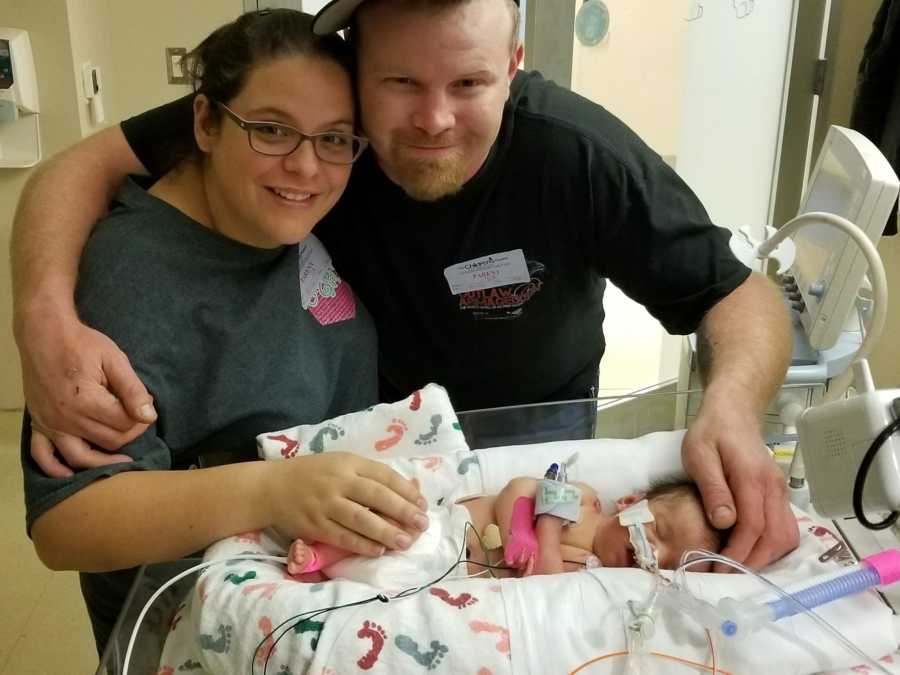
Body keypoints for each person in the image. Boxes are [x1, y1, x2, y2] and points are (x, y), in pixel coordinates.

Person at [10, 0, 797, 572]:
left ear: (513, 68)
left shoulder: (576, 156)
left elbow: (734, 291)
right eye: (399, 82)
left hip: (522, 448)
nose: (434, 119)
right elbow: (80, 164)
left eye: (469, 83)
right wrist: (42, 316)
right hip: (339, 478)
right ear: (353, 64)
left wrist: (730, 405)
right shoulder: (295, 128)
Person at [17, 10, 430, 654]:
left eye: (335, 139)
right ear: (206, 122)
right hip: (207, 632)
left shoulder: (274, 219)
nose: (305, 167)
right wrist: (275, 488)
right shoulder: (132, 281)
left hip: (329, 595)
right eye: (271, 130)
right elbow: (67, 524)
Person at [283, 476, 724, 582]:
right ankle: (324, 551)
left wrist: (547, 549)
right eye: (659, 531)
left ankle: (326, 571)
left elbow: (545, 588)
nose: (654, 554)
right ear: (631, 505)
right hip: (453, 526)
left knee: (394, 574)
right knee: (398, 526)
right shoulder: (586, 501)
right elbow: (522, 488)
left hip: (453, 572)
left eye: (671, 564)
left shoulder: (595, 576)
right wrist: (529, 534)